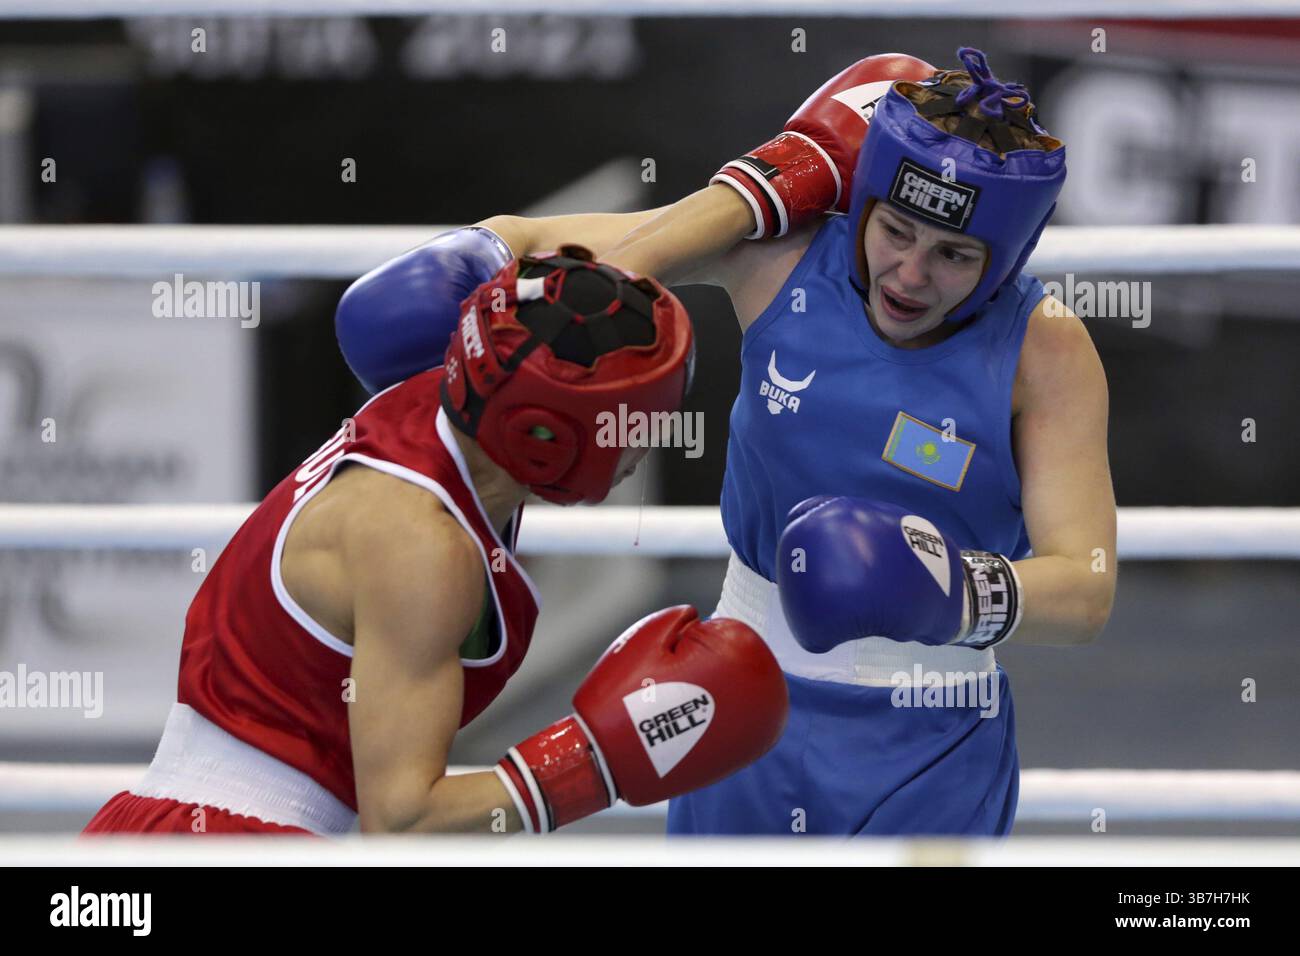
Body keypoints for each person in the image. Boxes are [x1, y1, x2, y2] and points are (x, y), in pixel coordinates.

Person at [333, 48, 1117, 836]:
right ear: (866, 202)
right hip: (737, 699)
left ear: (1005, 259)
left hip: (933, 735)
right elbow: (544, 248)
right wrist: (752, 191)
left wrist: (950, 590)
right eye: (897, 230)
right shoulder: (784, 261)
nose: (909, 274)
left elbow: (1085, 591)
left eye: (952, 255)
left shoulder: (1043, 352)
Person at [83, 247, 788, 836]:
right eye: (635, 419)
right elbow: (404, 820)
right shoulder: (424, 547)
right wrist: (592, 763)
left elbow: (548, 287)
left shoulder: (440, 391)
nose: (649, 437)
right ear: (546, 438)